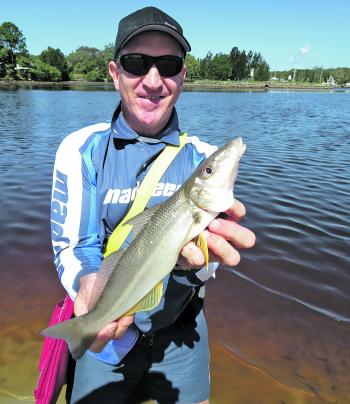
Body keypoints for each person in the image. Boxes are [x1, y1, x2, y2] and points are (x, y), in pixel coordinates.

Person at [50, 6, 255, 403]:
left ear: (183, 75)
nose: (153, 80)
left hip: (182, 337)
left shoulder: (202, 156)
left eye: (168, 64)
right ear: (114, 73)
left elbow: (208, 266)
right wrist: (87, 288)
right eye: (136, 63)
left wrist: (201, 266)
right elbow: (74, 245)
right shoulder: (80, 149)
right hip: (107, 336)